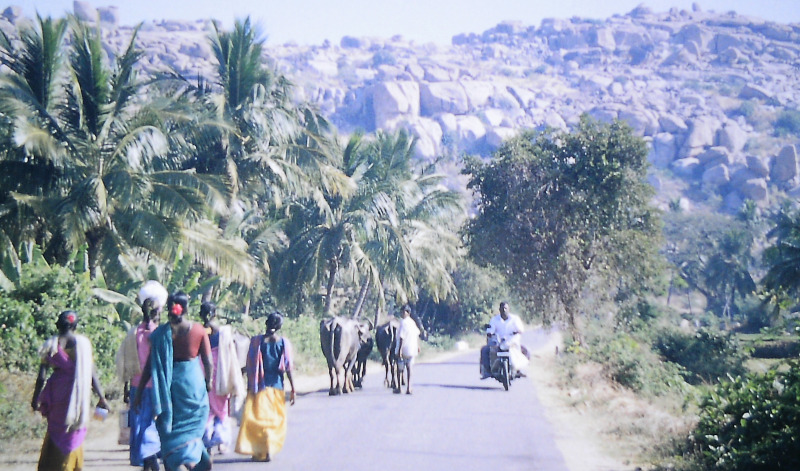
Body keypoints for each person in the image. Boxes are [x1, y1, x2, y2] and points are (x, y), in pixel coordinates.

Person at [134, 292, 213, 471]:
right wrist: (208, 382)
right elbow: (208, 362)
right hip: (193, 386)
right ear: (185, 308)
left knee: (170, 432)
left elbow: (149, 365)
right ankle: (199, 460)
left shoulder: (160, 333)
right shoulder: (199, 330)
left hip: (167, 389)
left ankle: (176, 465)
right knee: (192, 432)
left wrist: (139, 393)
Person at [31, 310, 110, 471]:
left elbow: (41, 376)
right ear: (75, 325)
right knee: (73, 429)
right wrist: (102, 397)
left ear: (57, 325)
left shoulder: (50, 344)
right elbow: (92, 374)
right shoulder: (83, 345)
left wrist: (35, 398)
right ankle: (70, 465)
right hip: (77, 394)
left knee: (56, 429)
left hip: (56, 395)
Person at [117, 281, 168, 471]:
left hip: (137, 387)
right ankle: (151, 461)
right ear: (158, 311)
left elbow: (126, 364)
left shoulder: (133, 333)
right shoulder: (160, 333)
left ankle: (147, 462)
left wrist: (126, 389)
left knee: (140, 425)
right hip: (155, 387)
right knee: (153, 425)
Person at [235, 312, 296, 463]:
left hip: (258, 387)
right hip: (276, 387)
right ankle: (269, 449)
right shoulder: (283, 343)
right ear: (279, 326)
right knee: (274, 420)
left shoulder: (256, 341)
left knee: (257, 420)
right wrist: (294, 389)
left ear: (267, 323)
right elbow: (288, 367)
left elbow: (249, 364)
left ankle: (258, 450)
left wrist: (240, 376)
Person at [200, 302, 245, 455]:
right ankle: (221, 442)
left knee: (206, 411)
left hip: (202, 373)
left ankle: (206, 442)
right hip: (221, 375)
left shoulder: (198, 331)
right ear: (214, 313)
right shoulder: (223, 332)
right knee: (222, 411)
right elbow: (232, 357)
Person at [480, 302, 527, 379]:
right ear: (499, 310)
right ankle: (487, 371)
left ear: (509, 309)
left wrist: (517, 332)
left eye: (505, 308)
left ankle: (519, 369)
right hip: (499, 342)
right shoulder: (494, 319)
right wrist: (489, 333)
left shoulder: (515, 319)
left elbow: (520, 329)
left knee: (526, 351)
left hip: (512, 343)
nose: (504, 310)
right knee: (485, 350)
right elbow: (490, 329)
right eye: (502, 308)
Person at [394, 305, 421, 395]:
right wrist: (418, 346)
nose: (402, 313)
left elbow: (401, 337)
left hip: (404, 349)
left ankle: (399, 387)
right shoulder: (413, 322)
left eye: (403, 312)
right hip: (412, 349)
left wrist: (399, 350)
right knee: (409, 368)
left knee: (399, 369)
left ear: (408, 313)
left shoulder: (403, 322)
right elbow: (417, 334)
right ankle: (409, 387)